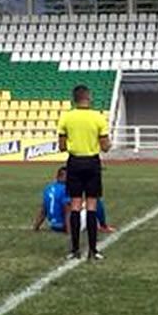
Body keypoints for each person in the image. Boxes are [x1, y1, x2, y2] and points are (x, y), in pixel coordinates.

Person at [56, 84, 111, 260]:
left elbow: (62, 146)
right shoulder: (98, 117)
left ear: (74, 99)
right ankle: (93, 250)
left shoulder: (66, 117)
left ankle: (75, 250)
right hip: (92, 162)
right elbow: (105, 146)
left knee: (75, 205)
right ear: (88, 97)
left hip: (74, 162)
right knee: (92, 205)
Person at [33, 167, 109, 233]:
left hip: (54, 226)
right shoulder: (66, 189)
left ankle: (96, 225)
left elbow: (43, 211)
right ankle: (103, 226)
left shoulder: (48, 188)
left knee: (82, 205)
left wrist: (36, 227)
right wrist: (70, 231)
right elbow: (67, 210)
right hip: (64, 226)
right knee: (94, 200)